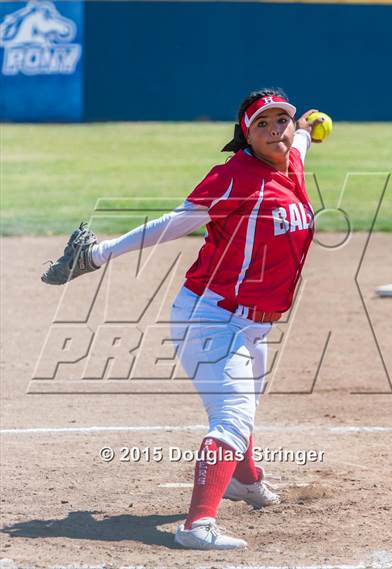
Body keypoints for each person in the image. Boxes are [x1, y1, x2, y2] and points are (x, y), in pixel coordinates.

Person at [41, 88, 322, 550]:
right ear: (246, 134)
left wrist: (308, 128)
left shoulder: (289, 161)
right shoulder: (235, 177)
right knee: (231, 418)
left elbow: (300, 144)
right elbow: (175, 222)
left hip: (252, 323)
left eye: (282, 122)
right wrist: (100, 253)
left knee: (244, 405)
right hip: (212, 318)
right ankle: (197, 527)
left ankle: (244, 481)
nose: (275, 131)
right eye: (262, 124)